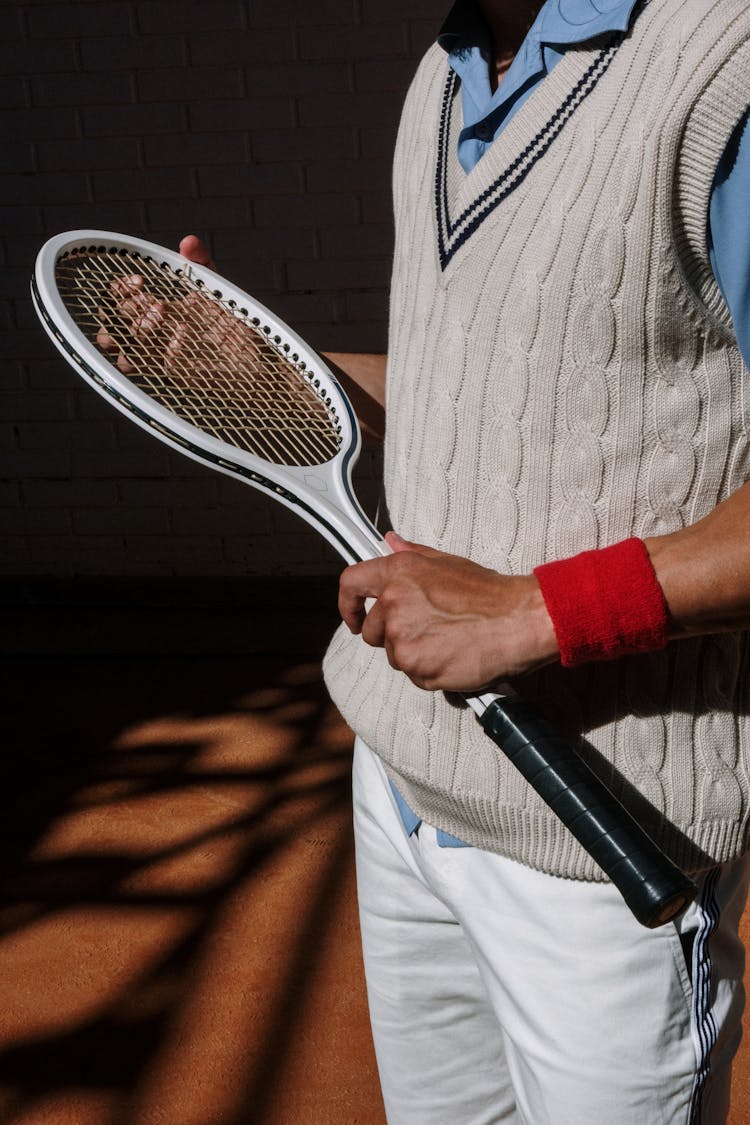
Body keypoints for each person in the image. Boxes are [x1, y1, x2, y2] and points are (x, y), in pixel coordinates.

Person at [180, 1, 750, 1120]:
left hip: (603, 836)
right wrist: (270, 375)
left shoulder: (722, 71)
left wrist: (541, 611)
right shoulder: (443, 74)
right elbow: (489, 387)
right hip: (402, 785)